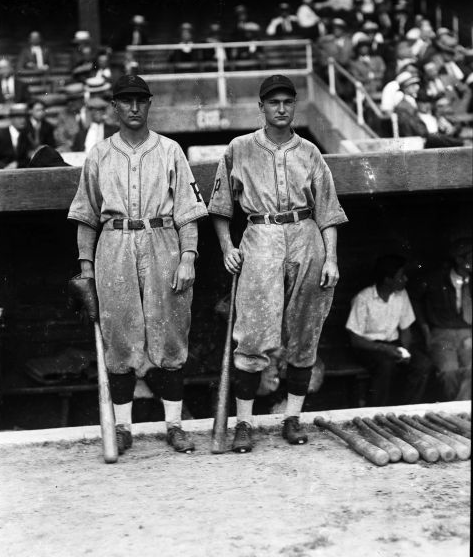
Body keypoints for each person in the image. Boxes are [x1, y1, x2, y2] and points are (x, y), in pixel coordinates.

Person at [67, 75, 208, 454]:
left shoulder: (170, 150)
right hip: (114, 244)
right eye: (125, 101)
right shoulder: (98, 154)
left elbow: (188, 213)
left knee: (171, 335)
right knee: (120, 338)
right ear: (114, 106)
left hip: (163, 240)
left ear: (149, 104)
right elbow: (85, 216)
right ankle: (124, 427)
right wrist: (86, 270)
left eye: (140, 101)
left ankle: (175, 425)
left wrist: (188, 257)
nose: (133, 108)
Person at [208, 74, 348, 453]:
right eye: (274, 102)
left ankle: (292, 418)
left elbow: (329, 213)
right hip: (261, 235)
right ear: (262, 107)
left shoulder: (310, 152)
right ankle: (244, 424)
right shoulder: (239, 148)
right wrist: (226, 247)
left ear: (294, 105)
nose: (281, 108)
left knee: (304, 335)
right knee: (252, 335)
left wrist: (331, 258)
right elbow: (220, 208)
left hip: (306, 236)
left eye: (288, 102)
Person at [346, 254, 431, 407]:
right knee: (386, 365)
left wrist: (404, 350)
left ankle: (407, 410)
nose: (405, 279)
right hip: (368, 347)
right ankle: (378, 412)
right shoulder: (363, 299)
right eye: (401, 276)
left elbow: (406, 329)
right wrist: (385, 349)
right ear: (387, 280)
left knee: (422, 364)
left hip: (393, 344)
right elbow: (355, 339)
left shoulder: (401, 294)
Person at [411, 238, 471, 401]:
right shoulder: (435, 279)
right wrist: (425, 329)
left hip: (469, 333)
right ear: (459, 260)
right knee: (448, 371)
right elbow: (414, 299)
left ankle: (460, 414)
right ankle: (457, 409)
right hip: (441, 334)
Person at [0, 103, 31, 169]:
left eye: (25, 117)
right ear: (11, 119)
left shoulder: (25, 135)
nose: (23, 120)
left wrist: (17, 164)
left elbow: (26, 158)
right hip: (1, 172)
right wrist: (5, 167)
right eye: (19, 117)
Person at [55, 83, 86, 152]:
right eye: (68, 100)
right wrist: (69, 144)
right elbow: (60, 136)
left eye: (73, 100)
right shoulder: (63, 115)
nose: (70, 103)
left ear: (82, 99)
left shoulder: (91, 111)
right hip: (72, 150)